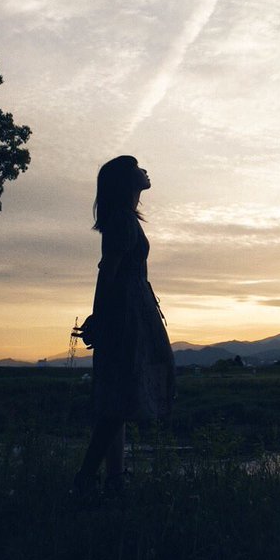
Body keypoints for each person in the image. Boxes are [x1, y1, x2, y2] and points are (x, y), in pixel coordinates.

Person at [73, 155, 176, 497]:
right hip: (127, 312)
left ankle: (114, 479)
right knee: (120, 399)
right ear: (125, 180)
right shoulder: (122, 221)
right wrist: (100, 317)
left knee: (118, 397)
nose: (145, 170)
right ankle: (86, 478)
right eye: (137, 167)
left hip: (132, 307)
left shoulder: (126, 219)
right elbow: (108, 272)